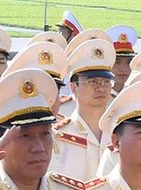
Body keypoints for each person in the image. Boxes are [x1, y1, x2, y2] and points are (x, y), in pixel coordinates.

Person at [50, 37, 117, 181]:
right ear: (74, 88)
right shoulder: (58, 137)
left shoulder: (122, 132)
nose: (100, 87)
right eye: (92, 81)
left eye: (106, 81)